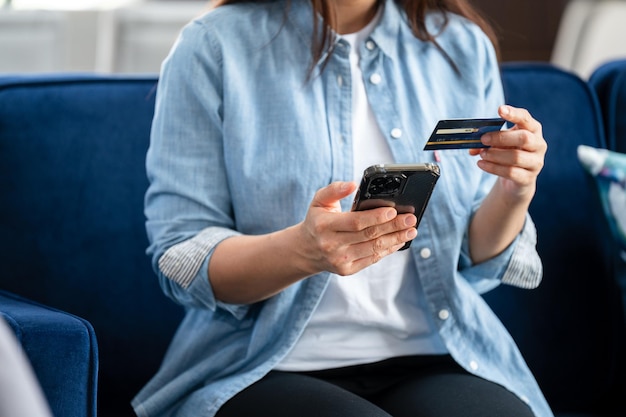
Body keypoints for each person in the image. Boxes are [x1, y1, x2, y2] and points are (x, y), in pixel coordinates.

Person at [132, 0, 553, 416]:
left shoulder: (461, 44)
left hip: (436, 355)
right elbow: (183, 258)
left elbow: (472, 261)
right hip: (267, 365)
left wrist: (515, 190)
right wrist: (302, 251)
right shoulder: (213, 45)